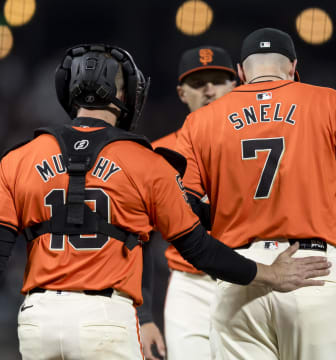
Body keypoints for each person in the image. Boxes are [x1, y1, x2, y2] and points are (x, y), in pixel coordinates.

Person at [0, 43, 329, 360]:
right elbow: (198, 248)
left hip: (38, 320)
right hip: (107, 319)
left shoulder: (19, 158)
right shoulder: (147, 162)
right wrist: (267, 272)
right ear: (126, 95)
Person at [176, 28, 336, 360]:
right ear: (293, 66)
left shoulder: (200, 121)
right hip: (317, 270)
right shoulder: (328, 102)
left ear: (240, 72)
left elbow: (184, 208)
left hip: (241, 273)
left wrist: (225, 212)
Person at [140, 45, 237, 360]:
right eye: (198, 83)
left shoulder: (261, 143)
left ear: (237, 85)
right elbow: (136, 238)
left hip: (254, 275)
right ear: (182, 93)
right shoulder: (157, 155)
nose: (209, 89)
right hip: (190, 285)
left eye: (219, 80)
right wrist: (143, 316)